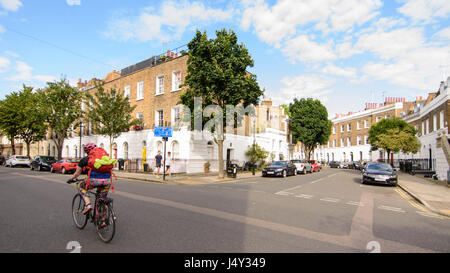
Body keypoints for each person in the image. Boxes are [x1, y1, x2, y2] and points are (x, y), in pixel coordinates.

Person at [67, 143, 111, 227]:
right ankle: (102, 221)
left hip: (94, 181)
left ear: (86, 152)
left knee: (81, 186)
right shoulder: (104, 158)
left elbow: (77, 174)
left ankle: (88, 205)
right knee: (102, 199)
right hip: (107, 182)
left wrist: (71, 179)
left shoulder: (85, 160)